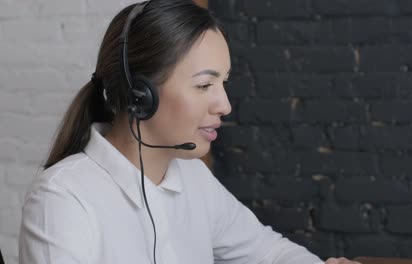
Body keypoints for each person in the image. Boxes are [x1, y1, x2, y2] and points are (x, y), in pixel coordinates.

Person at [19, 1, 359, 263]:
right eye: (204, 85)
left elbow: (269, 252)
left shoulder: (192, 177)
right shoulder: (63, 198)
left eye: (222, 83)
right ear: (141, 95)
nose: (224, 105)